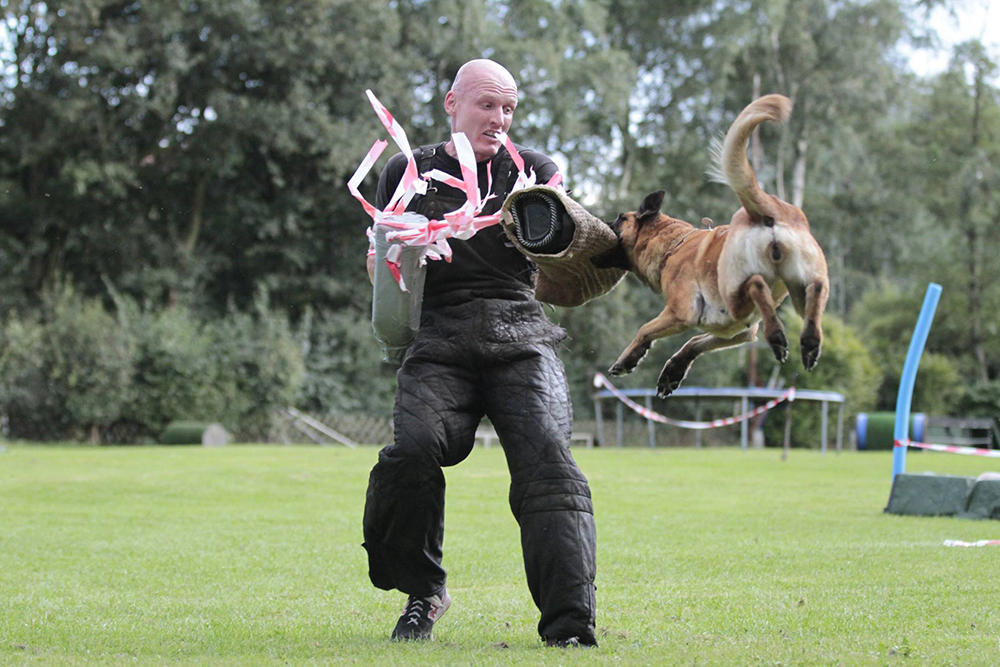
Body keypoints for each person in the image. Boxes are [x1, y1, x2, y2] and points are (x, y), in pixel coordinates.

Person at [362, 59, 598, 648]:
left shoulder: (535, 172)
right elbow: (386, 261)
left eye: (509, 108)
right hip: (438, 338)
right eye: (487, 105)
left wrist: (570, 243)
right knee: (411, 450)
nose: (499, 118)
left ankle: (570, 629)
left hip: (520, 332)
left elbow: (565, 253)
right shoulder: (406, 169)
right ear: (452, 103)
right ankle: (424, 593)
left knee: (550, 462)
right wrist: (382, 266)